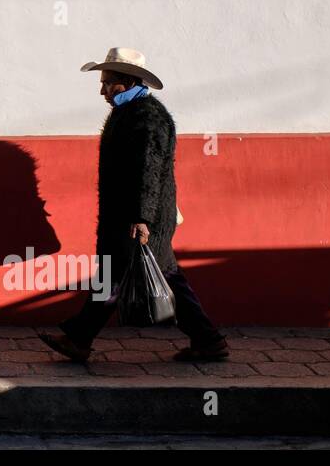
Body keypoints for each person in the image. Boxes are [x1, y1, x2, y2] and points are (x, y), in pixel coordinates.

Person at [39, 47, 229, 363]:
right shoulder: (128, 113)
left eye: (107, 83)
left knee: (143, 276)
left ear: (126, 81)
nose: (102, 91)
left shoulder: (147, 117)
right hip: (129, 216)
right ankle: (207, 341)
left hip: (141, 218)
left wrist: (142, 218)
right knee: (147, 276)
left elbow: (149, 170)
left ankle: (80, 338)